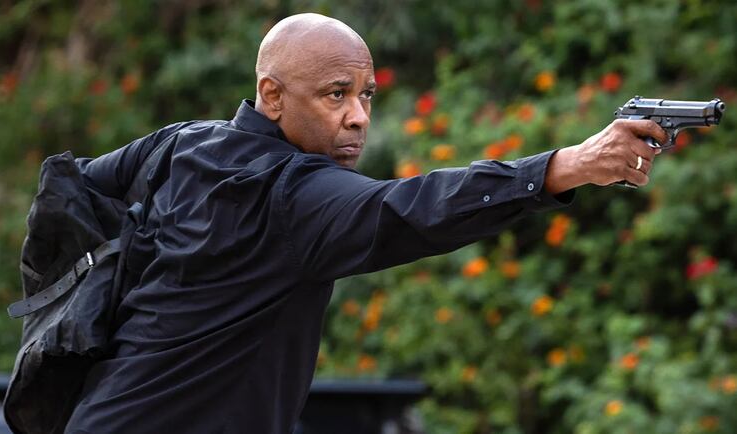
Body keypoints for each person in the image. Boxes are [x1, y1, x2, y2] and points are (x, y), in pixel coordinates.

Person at [64, 12, 667, 434]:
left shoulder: (181, 145)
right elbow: (416, 208)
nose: (358, 117)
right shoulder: (298, 196)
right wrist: (567, 166)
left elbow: (73, 188)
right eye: (336, 94)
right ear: (272, 96)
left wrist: (107, 299)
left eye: (367, 94)